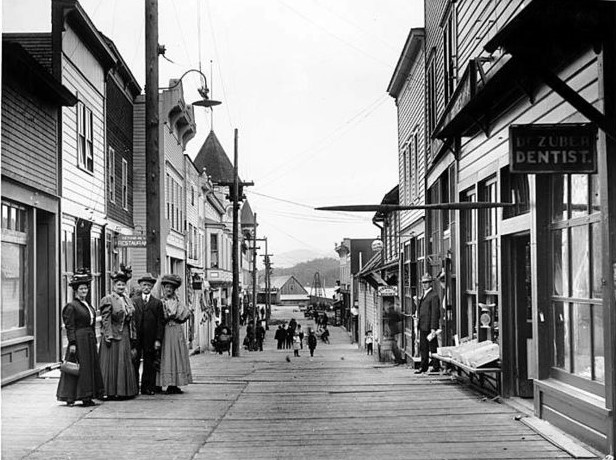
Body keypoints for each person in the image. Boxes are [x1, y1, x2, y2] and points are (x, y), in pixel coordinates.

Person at [56, 269, 105, 407]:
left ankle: (87, 396)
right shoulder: (71, 306)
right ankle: (69, 396)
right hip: (78, 340)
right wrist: (72, 342)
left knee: (88, 368)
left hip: (88, 339)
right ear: (76, 291)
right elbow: (69, 326)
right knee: (76, 367)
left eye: (86, 288)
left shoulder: (87, 305)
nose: (84, 291)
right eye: (81, 289)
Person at [99, 269, 139, 399]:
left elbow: (131, 318)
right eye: (118, 285)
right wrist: (108, 335)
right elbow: (106, 319)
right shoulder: (108, 299)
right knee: (113, 362)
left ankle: (123, 391)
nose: (121, 287)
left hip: (126, 334)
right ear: (113, 286)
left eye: (123, 285)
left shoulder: (128, 300)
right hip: (114, 334)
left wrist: (133, 335)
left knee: (124, 361)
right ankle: (109, 391)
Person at [157, 274, 193, 394]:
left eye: (171, 288)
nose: (168, 290)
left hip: (176, 330)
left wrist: (177, 315)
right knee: (165, 355)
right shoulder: (160, 302)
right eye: (166, 287)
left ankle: (175, 383)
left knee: (177, 355)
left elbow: (185, 314)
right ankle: (164, 382)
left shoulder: (178, 303)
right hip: (165, 330)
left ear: (174, 289)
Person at [131, 273, 164, 395]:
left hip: (150, 338)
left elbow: (160, 323)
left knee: (149, 362)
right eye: (144, 285)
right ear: (140, 286)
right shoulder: (133, 301)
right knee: (134, 361)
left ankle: (148, 387)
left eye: (149, 285)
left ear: (152, 287)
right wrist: (131, 337)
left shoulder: (157, 303)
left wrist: (158, 339)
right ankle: (134, 387)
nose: (146, 287)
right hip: (136, 338)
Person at [415, 273, 441, 374]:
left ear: (431, 283)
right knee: (423, 347)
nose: (424, 284)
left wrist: (433, 327)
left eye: (426, 282)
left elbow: (435, 312)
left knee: (433, 346)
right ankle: (423, 366)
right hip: (423, 325)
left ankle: (436, 365)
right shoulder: (424, 295)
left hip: (430, 326)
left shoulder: (433, 295)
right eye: (423, 283)